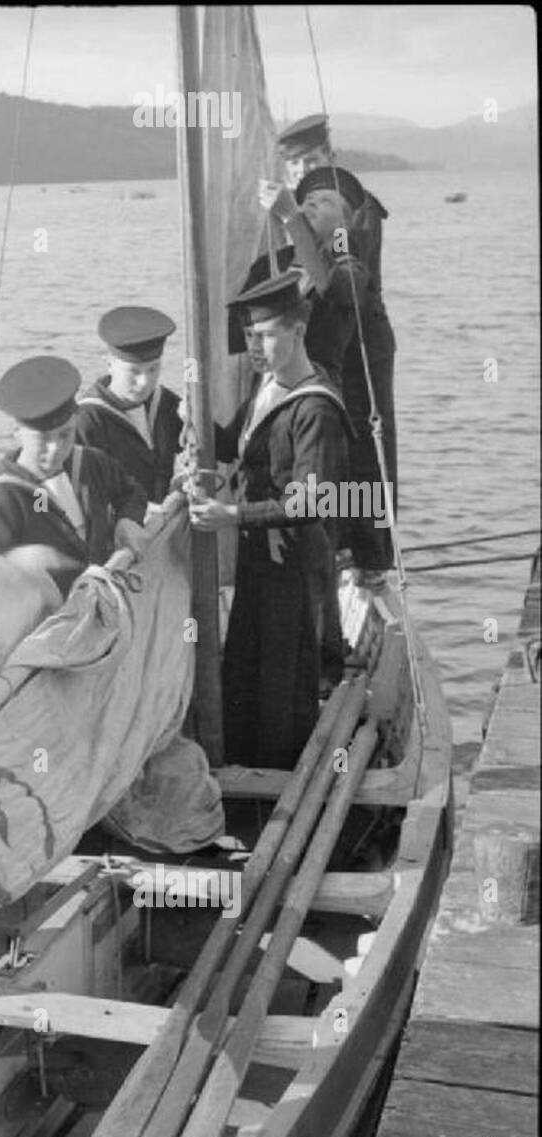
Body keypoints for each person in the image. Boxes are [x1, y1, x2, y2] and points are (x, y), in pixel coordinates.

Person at [190, 272, 351, 770]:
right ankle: (241, 767)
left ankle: (280, 778)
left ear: (298, 331)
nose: (255, 349)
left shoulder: (314, 408)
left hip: (294, 559)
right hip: (260, 554)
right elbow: (232, 443)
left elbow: (312, 502)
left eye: (265, 336)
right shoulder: (268, 388)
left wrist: (231, 514)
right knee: (245, 664)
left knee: (283, 677)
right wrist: (181, 418)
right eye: (248, 337)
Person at [261, 113, 397, 575]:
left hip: (362, 345)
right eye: (293, 165)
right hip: (322, 349)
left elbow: (337, 282)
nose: (302, 172)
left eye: (311, 160)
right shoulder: (300, 209)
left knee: (369, 447)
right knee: (327, 447)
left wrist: (292, 217)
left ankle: (372, 558)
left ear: (330, 157)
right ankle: (335, 547)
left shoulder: (354, 208)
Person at [0, 355, 148, 600]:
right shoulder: (5, 500)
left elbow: (132, 492)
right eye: (43, 439)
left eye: (65, 435)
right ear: (18, 434)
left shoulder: (91, 464)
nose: (56, 449)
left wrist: (128, 520)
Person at [75, 306, 185, 506]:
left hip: (164, 526)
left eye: (153, 369)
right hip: (117, 531)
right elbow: (56, 490)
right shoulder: (87, 420)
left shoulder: (164, 403)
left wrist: (196, 415)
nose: (144, 382)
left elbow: (227, 447)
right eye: (134, 372)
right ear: (109, 363)